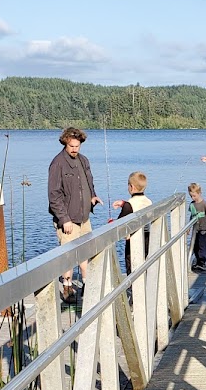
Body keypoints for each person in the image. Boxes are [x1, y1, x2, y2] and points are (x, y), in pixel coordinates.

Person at [48, 127, 103, 301]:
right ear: (65, 143)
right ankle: (67, 288)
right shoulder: (57, 164)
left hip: (84, 216)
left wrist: (93, 196)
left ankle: (87, 284)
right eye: (71, 146)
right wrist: (64, 219)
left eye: (77, 146)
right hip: (68, 219)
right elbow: (54, 194)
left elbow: (89, 181)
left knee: (86, 252)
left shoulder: (84, 160)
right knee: (69, 255)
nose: (74, 149)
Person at [112, 172, 152, 276]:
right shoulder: (149, 202)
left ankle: (133, 288)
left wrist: (112, 223)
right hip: (147, 237)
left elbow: (120, 224)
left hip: (133, 240)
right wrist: (123, 203)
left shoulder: (129, 204)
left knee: (132, 265)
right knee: (144, 263)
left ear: (131, 187)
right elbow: (137, 207)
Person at [188, 182, 206, 270]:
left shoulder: (204, 204)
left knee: (202, 245)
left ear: (199, 193)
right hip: (195, 229)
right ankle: (197, 260)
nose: (192, 198)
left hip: (204, 228)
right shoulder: (192, 204)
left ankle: (202, 262)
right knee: (195, 245)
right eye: (191, 196)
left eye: (194, 196)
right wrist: (188, 228)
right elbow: (191, 216)